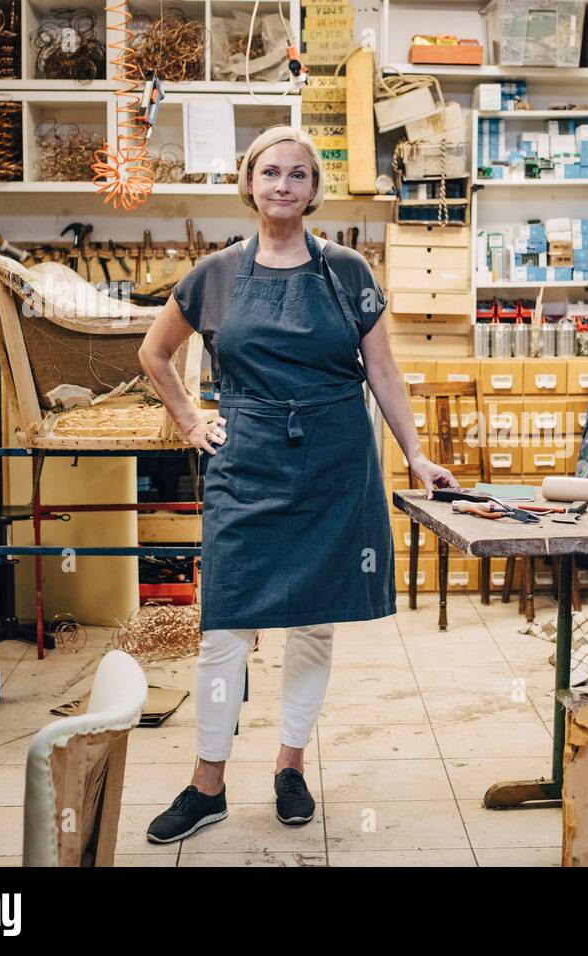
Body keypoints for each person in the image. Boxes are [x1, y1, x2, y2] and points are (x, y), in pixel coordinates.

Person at [137, 126, 459, 843]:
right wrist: (189, 418)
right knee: (223, 630)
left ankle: (290, 765)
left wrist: (414, 453)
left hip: (334, 463)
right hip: (246, 463)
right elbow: (155, 353)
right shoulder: (214, 275)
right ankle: (207, 782)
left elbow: (382, 372)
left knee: (313, 626)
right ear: (250, 182)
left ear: (314, 190)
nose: (283, 185)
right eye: (270, 172)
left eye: (298, 175)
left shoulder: (348, 272)